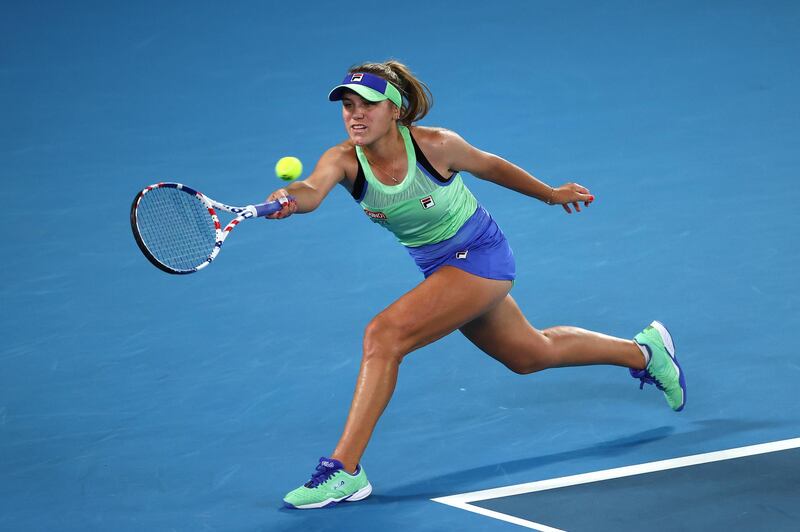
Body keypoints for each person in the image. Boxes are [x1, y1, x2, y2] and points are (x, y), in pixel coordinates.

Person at [267, 60, 686, 510]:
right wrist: (291, 199)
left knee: (383, 335)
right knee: (530, 355)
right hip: (440, 270)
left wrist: (551, 194)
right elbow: (311, 189)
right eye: (348, 106)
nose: (355, 115)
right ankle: (645, 352)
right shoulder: (343, 159)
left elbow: (491, 167)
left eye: (367, 105)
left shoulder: (436, 145)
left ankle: (344, 469)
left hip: (481, 256)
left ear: (393, 110)